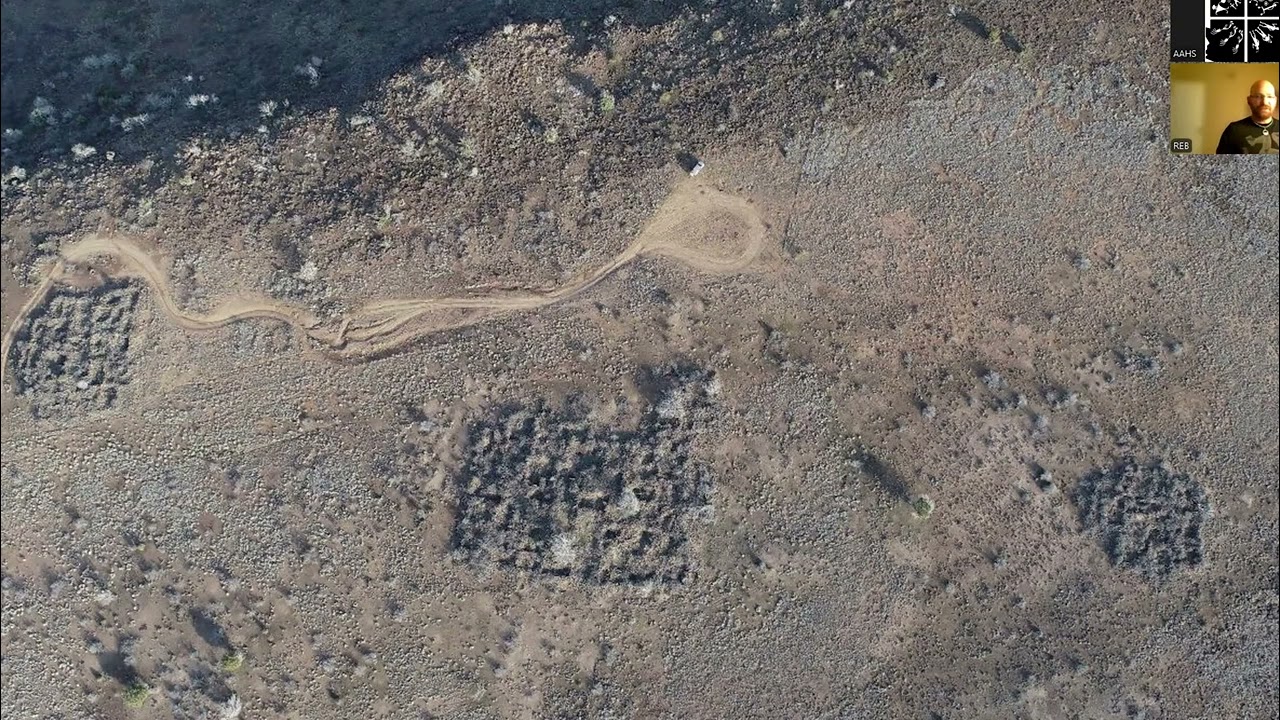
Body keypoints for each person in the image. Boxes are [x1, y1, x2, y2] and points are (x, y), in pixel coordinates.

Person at [1215, 80, 1278, 154]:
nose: (1264, 102)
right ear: (1249, 100)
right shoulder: (1233, 131)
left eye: (1269, 96)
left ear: (1275, 100)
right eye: (1258, 96)